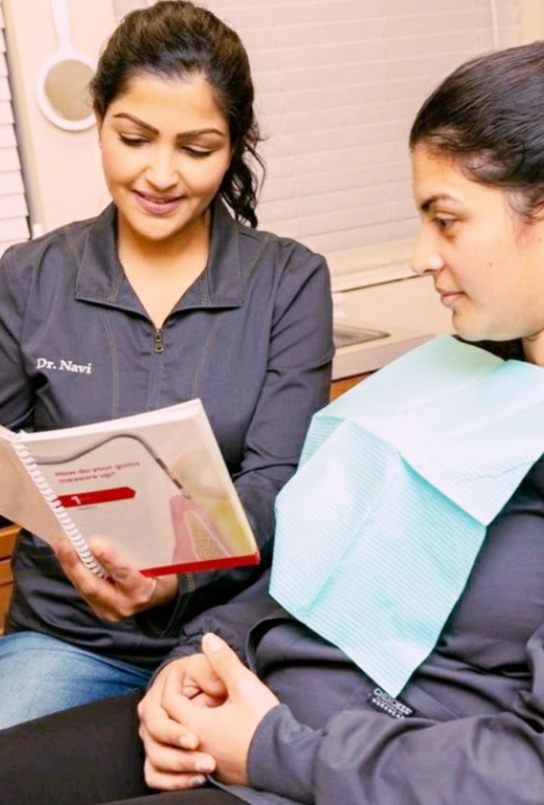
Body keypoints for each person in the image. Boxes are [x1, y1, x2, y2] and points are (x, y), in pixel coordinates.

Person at [6, 34, 544, 805]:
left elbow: (515, 763)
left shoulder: (285, 281)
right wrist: (198, 655)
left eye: (446, 220)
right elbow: (312, 561)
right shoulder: (446, 372)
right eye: (134, 137)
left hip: (313, 747)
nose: (420, 255)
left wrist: (268, 744)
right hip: (248, 687)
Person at [0, 0, 333, 728]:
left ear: (234, 144)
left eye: (197, 147)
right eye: (135, 137)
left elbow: (280, 479)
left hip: (233, 634)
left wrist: (168, 581)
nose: (160, 174)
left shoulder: (289, 281)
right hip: (68, 637)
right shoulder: (28, 277)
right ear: (98, 117)